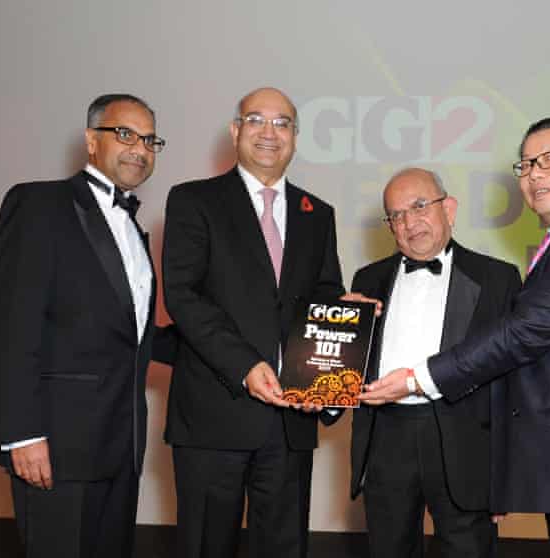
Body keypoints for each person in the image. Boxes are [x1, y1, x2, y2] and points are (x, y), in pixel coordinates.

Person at [361, 117, 550, 558]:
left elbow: (521, 335)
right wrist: (345, 321)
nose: (535, 174)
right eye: (525, 166)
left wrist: (417, 378)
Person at [161, 87, 344, 558]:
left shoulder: (318, 214)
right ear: (236, 130)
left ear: (295, 137)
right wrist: (245, 365)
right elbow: (184, 296)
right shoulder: (192, 201)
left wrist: (344, 316)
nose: (270, 132)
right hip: (213, 418)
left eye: (282, 123)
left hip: (291, 423)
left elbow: (322, 297)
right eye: (257, 120)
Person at [0, 93, 172, 557]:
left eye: (150, 140)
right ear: (92, 140)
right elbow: (14, 327)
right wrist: (23, 434)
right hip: (56, 448)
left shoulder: (134, 228)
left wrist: (258, 351)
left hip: (122, 447)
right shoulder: (38, 204)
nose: (140, 149)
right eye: (125, 134)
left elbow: (137, 341)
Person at [349, 168, 520, 558]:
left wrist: (504, 479)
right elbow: (345, 364)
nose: (409, 222)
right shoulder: (367, 279)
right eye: (396, 215)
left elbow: (511, 385)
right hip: (385, 439)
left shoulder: (497, 278)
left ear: (450, 209)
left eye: (420, 206)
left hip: (466, 443)